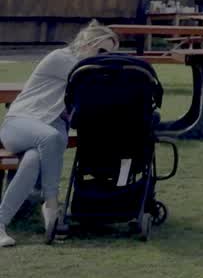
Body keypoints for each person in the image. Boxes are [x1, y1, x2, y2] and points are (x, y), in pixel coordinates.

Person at [0, 22, 119, 246]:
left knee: (34, 160)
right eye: (101, 51)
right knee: (51, 138)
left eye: (110, 54)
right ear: (86, 44)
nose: (104, 58)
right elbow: (97, 84)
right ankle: (52, 204)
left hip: (51, 127)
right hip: (20, 122)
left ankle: (0, 223)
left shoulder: (89, 67)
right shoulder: (62, 58)